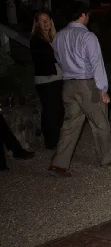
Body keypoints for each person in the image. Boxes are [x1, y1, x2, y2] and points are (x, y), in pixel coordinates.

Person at [49, 3, 111, 177]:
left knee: (70, 125)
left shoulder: (58, 36)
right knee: (100, 123)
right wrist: (102, 89)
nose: (89, 18)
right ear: (82, 15)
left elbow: (58, 60)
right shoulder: (87, 36)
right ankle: (106, 158)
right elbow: (96, 63)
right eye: (88, 15)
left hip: (68, 84)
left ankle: (58, 164)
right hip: (86, 84)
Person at [30, 11, 64, 150]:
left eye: (47, 19)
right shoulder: (36, 39)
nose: (45, 22)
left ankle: (57, 138)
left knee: (57, 109)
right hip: (46, 80)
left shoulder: (54, 37)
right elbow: (42, 59)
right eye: (42, 20)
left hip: (57, 78)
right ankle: (51, 141)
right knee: (50, 110)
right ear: (37, 23)